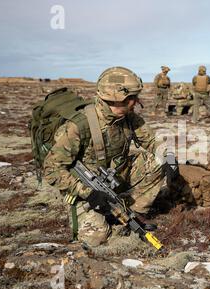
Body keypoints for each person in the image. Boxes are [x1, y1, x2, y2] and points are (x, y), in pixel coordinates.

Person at [43, 66, 167, 247]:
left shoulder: (128, 118)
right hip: (84, 190)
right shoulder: (79, 125)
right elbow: (52, 169)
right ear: (116, 98)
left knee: (158, 161)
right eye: (132, 98)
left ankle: (133, 211)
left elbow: (152, 142)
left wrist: (169, 157)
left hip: (114, 178)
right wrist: (89, 193)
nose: (136, 102)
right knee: (96, 238)